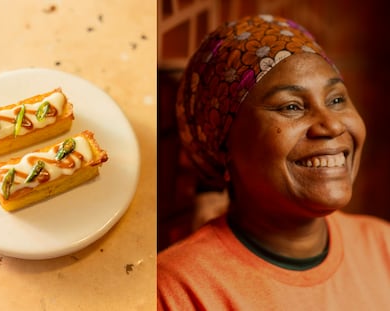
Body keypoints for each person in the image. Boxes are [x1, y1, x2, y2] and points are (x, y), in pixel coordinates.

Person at [157, 14, 390, 310]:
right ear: (224, 145)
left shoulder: (382, 247)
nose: (331, 126)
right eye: (291, 106)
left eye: (336, 100)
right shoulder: (177, 292)